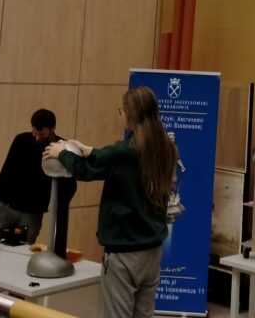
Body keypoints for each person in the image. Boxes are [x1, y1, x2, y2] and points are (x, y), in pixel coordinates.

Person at [43, 86, 178, 318]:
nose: (121, 114)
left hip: (124, 253)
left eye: (122, 110)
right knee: (144, 314)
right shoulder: (165, 147)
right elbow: (110, 158)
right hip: (152, 250)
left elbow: (85, 170)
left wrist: (61, 152)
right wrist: (89, 149)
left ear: (130, 114)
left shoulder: (124, 152)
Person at [0, 108, 76, 253]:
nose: (37, 138)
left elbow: (70, 184)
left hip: (32, 215)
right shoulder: (21, 140)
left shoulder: (61, 148)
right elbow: (5, 174)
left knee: (21, 255)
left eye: (42, 134)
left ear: (52, 128)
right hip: (6, 208)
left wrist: (58, 209)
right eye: (35, 132)